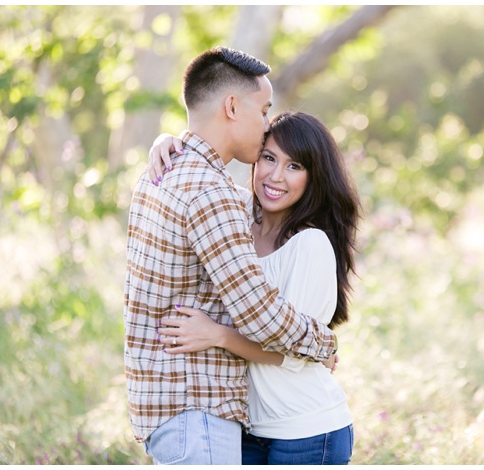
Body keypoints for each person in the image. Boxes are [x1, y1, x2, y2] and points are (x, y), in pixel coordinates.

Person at [124, 46, 339, 466]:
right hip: (195, 406)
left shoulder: (157, 175)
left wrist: (165, 140)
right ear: (231, 107)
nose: (265, 126)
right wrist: (324, 343)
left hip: (166, 405)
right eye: (263, 111)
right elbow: (258, 312)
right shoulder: (211, 192)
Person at [150, 111, 361, 465]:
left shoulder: (310, 245)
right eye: (269, 158)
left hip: (307, 431)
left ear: (313, 177)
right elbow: (200, 178)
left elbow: (295, 354)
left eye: (295, 166)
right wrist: (166, 143)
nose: (276, 176)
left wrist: (217, 335)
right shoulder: (237, 216)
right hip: (249, 428)